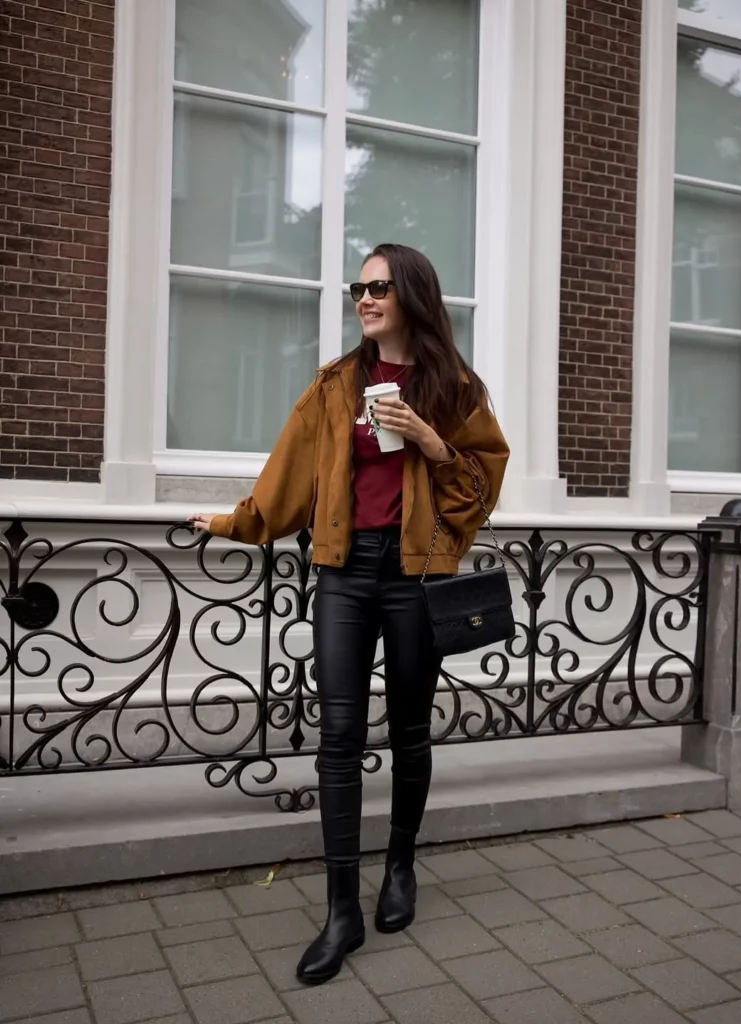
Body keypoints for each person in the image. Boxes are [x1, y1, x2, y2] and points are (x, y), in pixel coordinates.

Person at [189, 243, 509, 985]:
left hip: (414, 575)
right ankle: (341, 911)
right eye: (355, 288)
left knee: (407, 729)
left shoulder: (456, 390)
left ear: (413, 297)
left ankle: (399, 866)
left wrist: (428, 438)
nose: (362, 299)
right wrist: (236, 522)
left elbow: (476, 498)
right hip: (341, 569)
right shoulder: (335, 386)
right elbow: (287, 481)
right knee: (337, 735)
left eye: (377, 288)